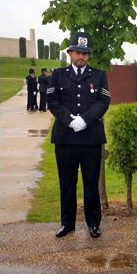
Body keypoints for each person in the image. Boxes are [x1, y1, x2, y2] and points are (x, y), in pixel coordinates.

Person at [46, 31, 111, 238]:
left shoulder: (99, 75)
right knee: (67, 182)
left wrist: (84, 119)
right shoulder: (57, 75)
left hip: (90, 137)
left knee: (91, 182)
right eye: (77, 52)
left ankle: (93, 223)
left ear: (89, 55)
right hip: (65, 137)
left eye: (85, 53)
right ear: (70, 53)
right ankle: (67, 223)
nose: (81, 57)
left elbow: (103, 102)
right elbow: (53, 102)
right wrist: (70, 120)